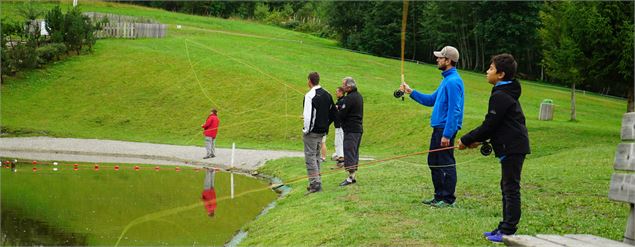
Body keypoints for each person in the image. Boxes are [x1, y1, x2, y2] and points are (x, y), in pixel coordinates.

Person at [457, 54, 530, 243]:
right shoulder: (503, 93)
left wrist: (466, 139)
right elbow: (498, 126)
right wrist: (479, 141)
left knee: (510, 188)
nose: (487, 71)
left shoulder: (501, 96)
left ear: (500, 74)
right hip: (510, 145)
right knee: (506, 186)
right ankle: (504, 226)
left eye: (490, 68)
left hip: (513, 147)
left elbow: (490, 124)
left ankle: (508, 230)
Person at [400, 46, 464, 207]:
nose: (437, 59)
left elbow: (455, 110)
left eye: (440, 57)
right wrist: (410, 91)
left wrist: (448, 134)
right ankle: (439, 196)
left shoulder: (454, 81)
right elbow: (430, 100)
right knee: (433, 161)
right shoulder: (446, 80)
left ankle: (448, 199)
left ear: (448, 61)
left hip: (445, 129)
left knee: (446, 162)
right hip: (439, 128)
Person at [302, 72, 336, 194]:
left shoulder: (310, 96)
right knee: (316, 156)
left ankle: (314, 184)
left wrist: (306, 130)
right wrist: (326, 124)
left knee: (310, 157)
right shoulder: (327, 94)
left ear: (309, 81)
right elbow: (334, 112)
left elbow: (308, 116)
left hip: (312, 132)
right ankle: (317, 181)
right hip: (322, 131)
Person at [338, 77, 363, 186]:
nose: (342, 87)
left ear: (348, 86)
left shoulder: (350, 98)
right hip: (357, 129)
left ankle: (350, 178)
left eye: (343, 85)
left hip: (351, 130)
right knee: (353, 153)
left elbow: (342, 115)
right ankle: (352, 176)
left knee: (349, 153)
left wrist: (336, 110)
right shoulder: (358, 96)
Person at [332, 87, 345, 167]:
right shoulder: (339, 101)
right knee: (337, 142)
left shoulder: (342, 101)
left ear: (341, 92)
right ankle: (339, 156)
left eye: (337, 92)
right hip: (337, 125)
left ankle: (341, 158)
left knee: (339, 142)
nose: (336, 93)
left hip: (340, 125)